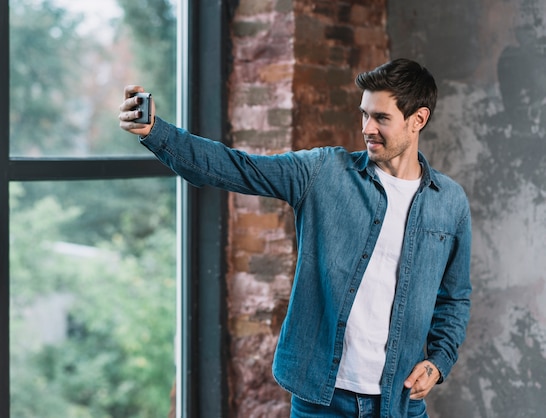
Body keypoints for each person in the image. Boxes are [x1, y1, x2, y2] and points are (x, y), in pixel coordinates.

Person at [118, 58, 471, 418]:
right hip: (322, 401)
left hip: (400, 403)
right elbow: (235, 167)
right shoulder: (323, 172)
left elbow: (455, 298)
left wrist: (438, 361)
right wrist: (155, 132)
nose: (367, 128)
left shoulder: (450, 202)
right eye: (364, 114)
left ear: (418, 120)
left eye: (381, 118)